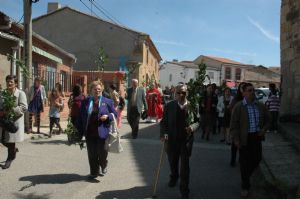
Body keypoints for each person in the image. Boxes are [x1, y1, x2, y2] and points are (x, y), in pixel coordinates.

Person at [230, 83, 270, 197]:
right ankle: (245, 186)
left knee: (257, 159)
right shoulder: (239, 107)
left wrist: (264, 129)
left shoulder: (260, 105)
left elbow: (268, 119)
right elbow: (233, 125)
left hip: (256, 137)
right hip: (244, 138)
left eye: (253, 90)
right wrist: (236, 139)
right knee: (244, 163)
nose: (252, 92)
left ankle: (246, 178)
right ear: (243, 93)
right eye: (249, 90)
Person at [160, 83, 199, 199]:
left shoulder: (193, 106)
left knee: (185, 167)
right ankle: (174, 176)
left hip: (186, 141)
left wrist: (192, 127)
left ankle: (184, 190)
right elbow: (163, 122)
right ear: (175, 93)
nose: (181, 95)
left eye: (184, 92)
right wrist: (163, 134)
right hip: (172, 140)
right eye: (179, 92)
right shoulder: (169, 106)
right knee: (173, 162)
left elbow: (198, 121)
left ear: (187, 93)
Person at [77, 80, 117, 179]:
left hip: (102, 131)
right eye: (95, 89)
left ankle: (103, 165)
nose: (97, 91)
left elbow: (115, 114)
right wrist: (78, 131)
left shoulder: (107, 101)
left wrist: (107, 116)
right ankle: (94, 172)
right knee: (92, 153)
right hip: (90, 131)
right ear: (91, 90)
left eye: (99, 89)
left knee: (102, 152)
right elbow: (81, 116)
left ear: (102, 90)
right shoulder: (86, 102)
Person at [0, 75, 28, 169]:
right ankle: (13, 150)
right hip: (4, 120)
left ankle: (9, 159)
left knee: (10, 141)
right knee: (2, 140)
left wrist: (11, 110)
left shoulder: (21, 93)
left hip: (14, 121)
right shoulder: (3, 93)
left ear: (16, 83)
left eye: (11, 81)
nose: (9, 83)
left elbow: (24, 107)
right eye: (8, 81)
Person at [228, 82, 246, 167]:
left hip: (246, 125)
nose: (243, 89)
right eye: (241, 87)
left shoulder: (249, 98)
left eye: (244, 87)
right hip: (236, 124)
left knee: (244, 144)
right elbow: (231, 109)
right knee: (235, 143)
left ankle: (241, 160)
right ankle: (233, 159)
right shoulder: (236, 99)